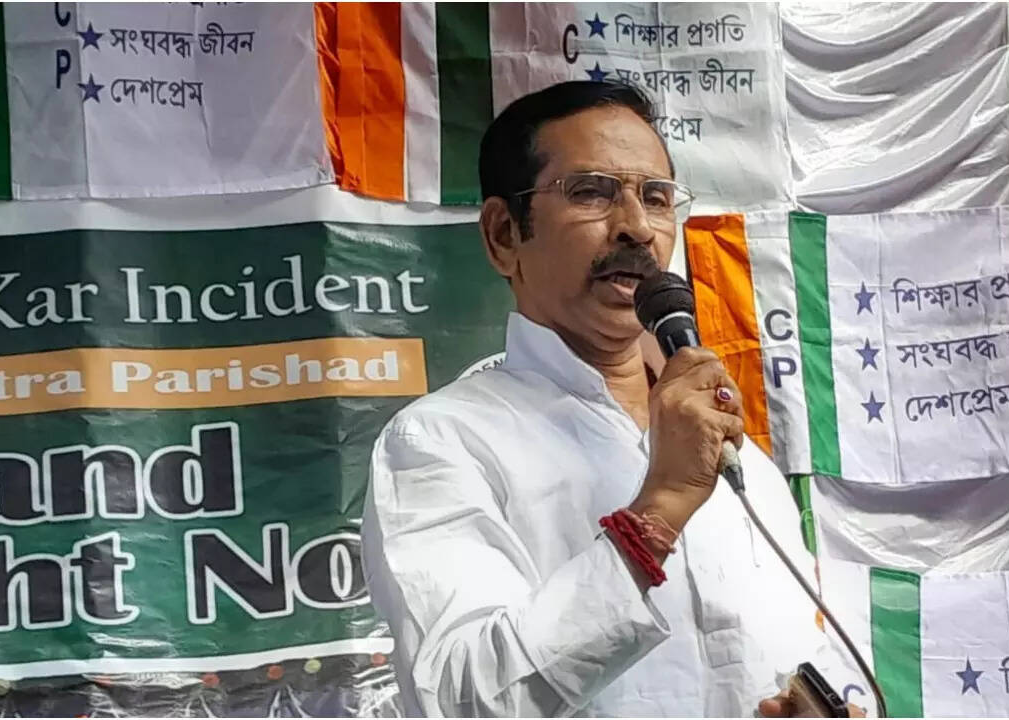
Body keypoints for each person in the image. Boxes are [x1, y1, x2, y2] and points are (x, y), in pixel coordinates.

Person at [361, 80, 864, 717]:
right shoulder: (442, 441)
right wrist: (658, 511)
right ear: (505, 235)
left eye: (656, 198)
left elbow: (798, 657)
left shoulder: (741, 465)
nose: (637, 228)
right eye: (591, 192)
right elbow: (463, 700)